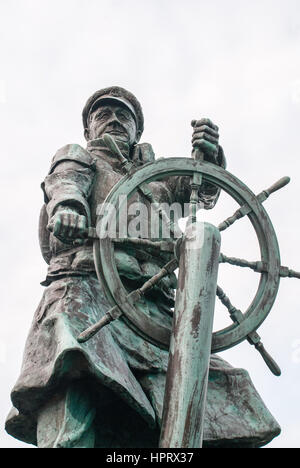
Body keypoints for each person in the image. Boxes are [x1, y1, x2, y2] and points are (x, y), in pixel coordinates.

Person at [6, 86, 280, 448]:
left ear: (138, 131)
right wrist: (68, 208)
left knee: (209, 395)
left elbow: (200, 188)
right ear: (89, 130)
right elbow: (65, 182)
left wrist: (209, 158)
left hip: (155, 313)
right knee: (78, 384)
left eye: (125, 116)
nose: (115, 119)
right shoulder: (78, 157)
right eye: (104, 114)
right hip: (87, 295)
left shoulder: (157, 178)